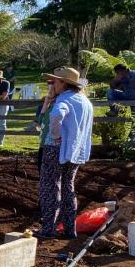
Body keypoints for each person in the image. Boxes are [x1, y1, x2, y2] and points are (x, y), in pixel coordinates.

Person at [35, 67, 93, 240]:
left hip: (55, 149)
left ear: (64, 83)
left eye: (56, 81)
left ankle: (48, 229)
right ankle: (69, 230)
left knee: (50, 187)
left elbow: (56, 116)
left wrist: (56, 136)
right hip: (75, 151)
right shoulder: (85, 101)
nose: (54, 84)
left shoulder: (64, 99)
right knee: (68, 187)